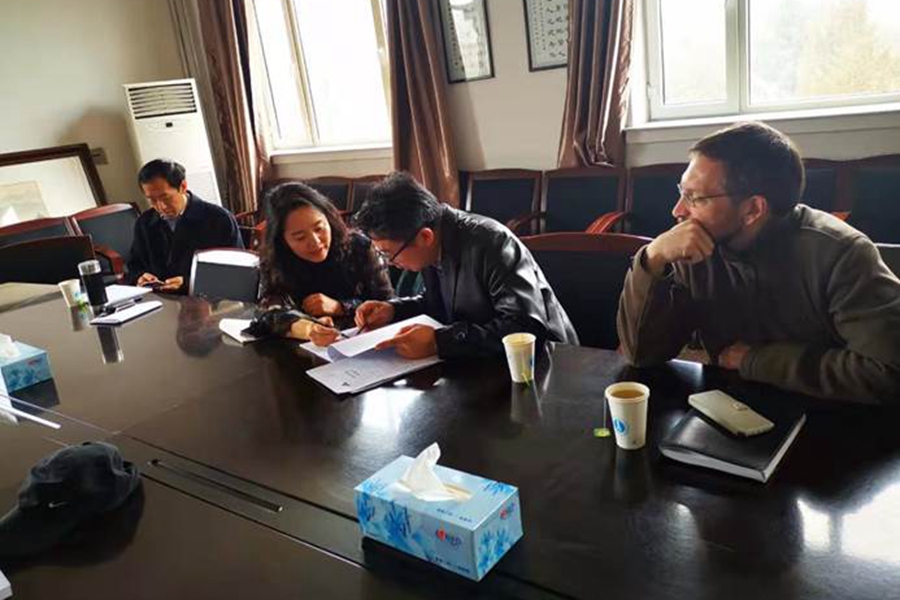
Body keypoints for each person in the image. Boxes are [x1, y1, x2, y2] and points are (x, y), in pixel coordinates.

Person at [617, 121, 900, 404]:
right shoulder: (692, 245)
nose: (677, 210)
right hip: (728, 406)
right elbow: (641, 354)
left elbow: (888, 371)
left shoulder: (842, 254)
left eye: (695, 198)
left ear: (753, 209)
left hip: (831, 412)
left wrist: (756, 360)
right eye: (682, 191)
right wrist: (651, 260)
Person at [349, 171, 579, 359]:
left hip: (546, 362)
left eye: (389, 254)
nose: (392, 264)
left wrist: (439, 342)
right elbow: (440, 302)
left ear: (425, 237)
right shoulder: (432, 238)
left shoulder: (493, 243)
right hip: (485, 361)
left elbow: (524, 329)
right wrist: (393, 310)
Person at [259, 181, 393, 345]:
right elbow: (267, 312)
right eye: (300, 237)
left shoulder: (360, 247)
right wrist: (308, 329)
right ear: (282, 241)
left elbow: (387, 303)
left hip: (360, 346)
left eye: (319, 229)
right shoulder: (275, 260)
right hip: (302, 351)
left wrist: (341, 307)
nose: (315, 242)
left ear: (329, 220)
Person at [125, 159, 243, 292]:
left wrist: (187, 282)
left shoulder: (218, 218)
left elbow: (235, 271)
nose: (161, 206)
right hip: (159, 298)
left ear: (183, 186)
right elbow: (134, 266)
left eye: (166, 198)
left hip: (205, 297)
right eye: (152, 200)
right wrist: (140, 277)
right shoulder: (145, 223)